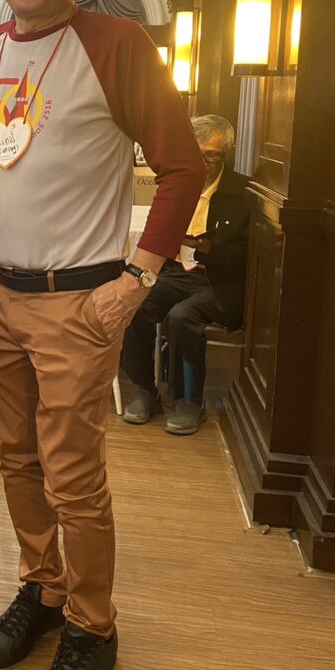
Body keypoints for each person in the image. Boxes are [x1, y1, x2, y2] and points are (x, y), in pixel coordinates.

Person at [0, 0, 205, 670]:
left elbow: (183, 167)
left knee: (73, 476)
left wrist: (136, 279)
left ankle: (94, 627)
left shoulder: (116, 43)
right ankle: (45, 587)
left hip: (77, 300)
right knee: (14, 459)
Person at [121, 115, 249, 433]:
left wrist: (210, 248)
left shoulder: (242, 193)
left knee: (182, 318)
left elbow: (248, 257)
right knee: (132, 304)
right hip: (176, 272)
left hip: (217, 280)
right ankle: (145, 390)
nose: (203, 161)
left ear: (226, 155)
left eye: (212, 155)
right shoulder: (177, 184)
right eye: (197, 152)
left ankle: (189, 401)